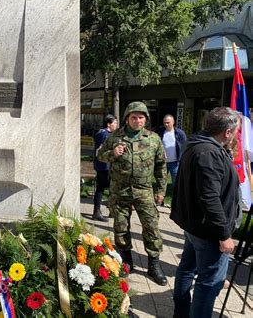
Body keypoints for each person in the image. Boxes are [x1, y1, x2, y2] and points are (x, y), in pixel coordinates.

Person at [171, 107, 240, 318]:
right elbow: (210, 198)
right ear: (227, 132)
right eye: (235, 131)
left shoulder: (201, 146)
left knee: (187, 270)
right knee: (208, 284)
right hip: (209, 232)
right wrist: (224, 235)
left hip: (196, 226)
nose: (237, 135)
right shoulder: (208, 152)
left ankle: (181, 314)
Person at [98, 101, 168, 285]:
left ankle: (154, 264)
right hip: (120, 190)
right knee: (121, 227)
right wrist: (113, 153)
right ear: (127, 118)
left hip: (144, 190)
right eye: (134, 117)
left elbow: (161, 166)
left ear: (146, 119)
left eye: (141, 117)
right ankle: (126, 261)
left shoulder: (153, 139)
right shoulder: (115, 137)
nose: (138, 120)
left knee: (151, 226)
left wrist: (160, 191)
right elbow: (99, 154)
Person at [92, 114, 118, 221]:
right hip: (105, 165)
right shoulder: (106, 135)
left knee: (101, 188)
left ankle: (101, 211)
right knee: (108, 188)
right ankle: (100, 212)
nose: (116, 125)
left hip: (101, 165)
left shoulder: (100, 133)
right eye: (114, 123)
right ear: (109, 124)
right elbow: (103, 150)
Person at [157, 114, 187, 188]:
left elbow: (185, 147)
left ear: (173, 122)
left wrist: (182, 159)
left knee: (176, 180)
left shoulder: (180, 133)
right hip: (163, 161)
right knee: (161, 180)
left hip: (175, 162)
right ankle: (161, 194)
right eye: (164, 123)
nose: (166, 124)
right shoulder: (160, 132)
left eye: (168, 122)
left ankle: (176, 195)